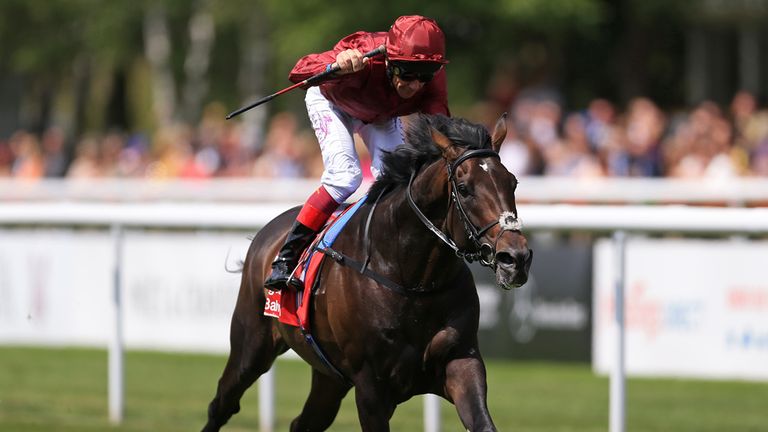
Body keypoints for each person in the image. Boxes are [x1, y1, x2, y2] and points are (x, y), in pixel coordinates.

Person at [264, 15, 450, 291]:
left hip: (379, 115)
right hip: (331, 103)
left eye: (424, 76)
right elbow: (299, 70)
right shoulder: (365, 47)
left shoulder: (431, 79)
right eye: (406, 74)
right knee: (345, 177)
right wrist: (334, 65)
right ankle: (286, 258)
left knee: (395, 180)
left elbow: (441, 130)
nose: (414, 86)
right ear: (388, 61)